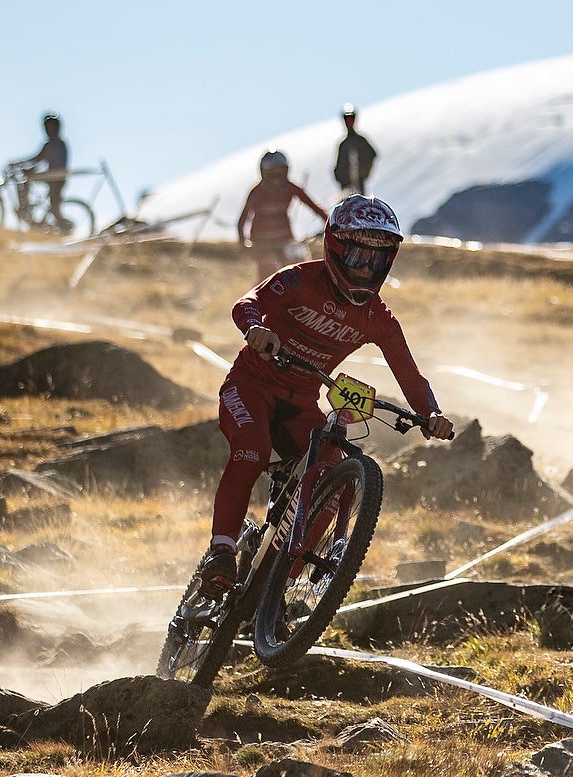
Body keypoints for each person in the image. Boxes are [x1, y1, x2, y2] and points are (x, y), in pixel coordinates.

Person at [191, 195, 455, 597]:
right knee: (253, 450)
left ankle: (278, 589)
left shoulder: (378, 318)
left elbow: (409, 374)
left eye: (378, 260)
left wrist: (431, 413)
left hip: (301, 402)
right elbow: (248, 302)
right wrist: (254, 329)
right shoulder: (299, 278)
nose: (367, 268)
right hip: (250, 386)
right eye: (357, 255)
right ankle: (221, 552)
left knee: (338, 471)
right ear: (333, 247)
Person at [238, 150, 328, 282]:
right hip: (261, 242)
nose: (277, 178)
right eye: (273, 173)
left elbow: (315, 208)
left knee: (299, 270)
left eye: (280, 172)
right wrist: (244, 243)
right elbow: (242, 221)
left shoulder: (291, 188)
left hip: (285, 238)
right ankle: (261, 301)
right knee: (267, 275)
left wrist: (330, 224)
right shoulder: (257, 193)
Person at [10, 112, 71, 231]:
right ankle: (25, 208)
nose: (49, 130)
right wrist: (20, 164)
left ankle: (65, 228)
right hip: (52, 177)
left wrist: (29, 169)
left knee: (54, 209)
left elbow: (45, 162)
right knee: (26, 181)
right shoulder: (50, 144)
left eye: (51, 127)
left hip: (57, 179)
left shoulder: (57, 144)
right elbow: (38, 158)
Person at [334, 104, 378, 196]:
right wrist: (340, 177)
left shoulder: (360, 141)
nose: (349, 121)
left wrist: (362, 173)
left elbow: (372, 155)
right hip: (345, 188)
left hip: (359, 185)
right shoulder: (343, 144)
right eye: (347, 119)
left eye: (351, 118)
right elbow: (339, 165)